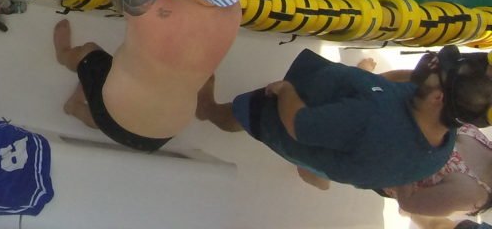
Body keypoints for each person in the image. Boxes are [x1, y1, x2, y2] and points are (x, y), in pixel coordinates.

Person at [53, 0, 248, 152]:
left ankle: (68, 78)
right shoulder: (233, 14)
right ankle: (84, 108)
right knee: (205, 74)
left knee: (89, 51)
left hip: (112, 117)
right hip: (166, 134)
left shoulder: (150, 9)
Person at [197, 44, 492, 191]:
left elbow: (300, 126)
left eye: (437, 74)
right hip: (343, 152)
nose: (431, 64)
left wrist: (286, 91)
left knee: (246, 111)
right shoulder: (444, 135)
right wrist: (366, 79)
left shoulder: (369, 117)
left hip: (296, 122)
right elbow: (407, 83)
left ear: (438, 98)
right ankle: (314, 172)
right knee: (322, 164)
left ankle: (208, 109)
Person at [357, 56, 492, 218]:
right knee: (440, 84)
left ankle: (362, 81)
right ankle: (365, 80)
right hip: (411, 112)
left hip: (381, 154)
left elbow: (408, 202)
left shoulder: (473, 194)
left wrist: (405, 140)